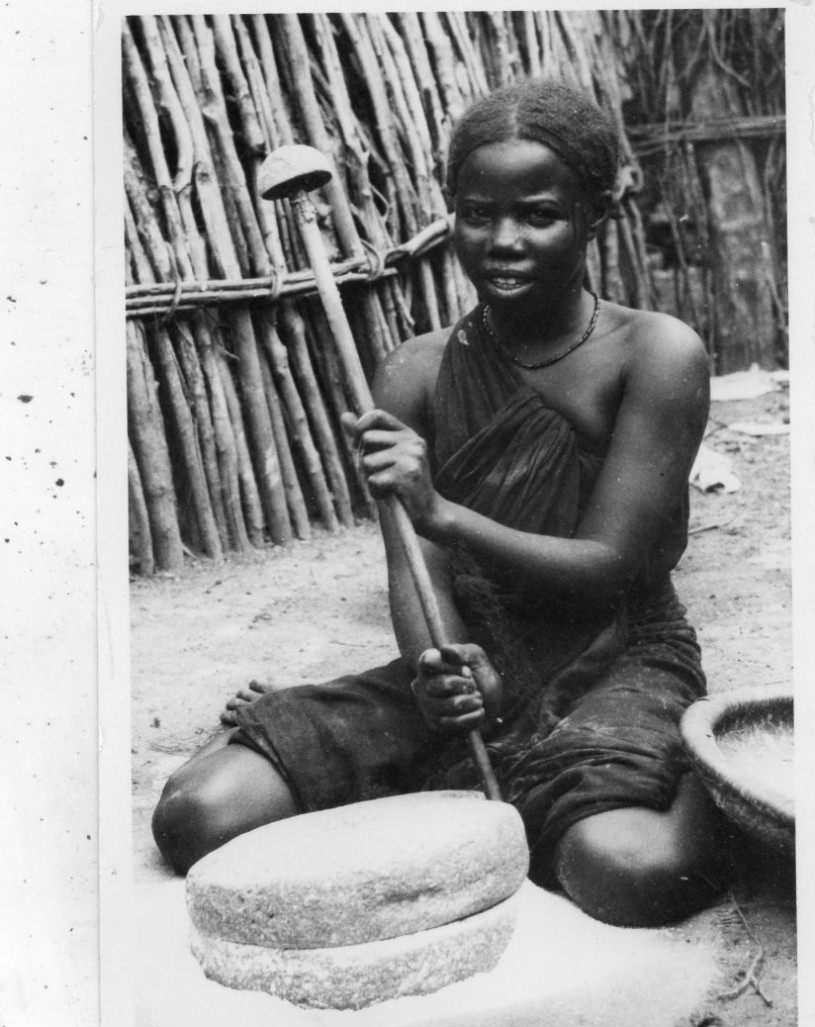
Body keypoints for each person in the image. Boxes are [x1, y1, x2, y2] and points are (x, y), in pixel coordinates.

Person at [153, 80, 731, 927]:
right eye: (474, 214)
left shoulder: (655, 353)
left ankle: (712, 761)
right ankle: (363, 737)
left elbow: (609, 568)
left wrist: (442, 512)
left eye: (538, 215)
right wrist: (436, 668)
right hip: (476, 652)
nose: (501, 241)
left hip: (617, 653)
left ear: (596, 213)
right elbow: (414, 569)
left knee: (629, 872)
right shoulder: (413, 370)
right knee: (197, 814)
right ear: (449, 213)